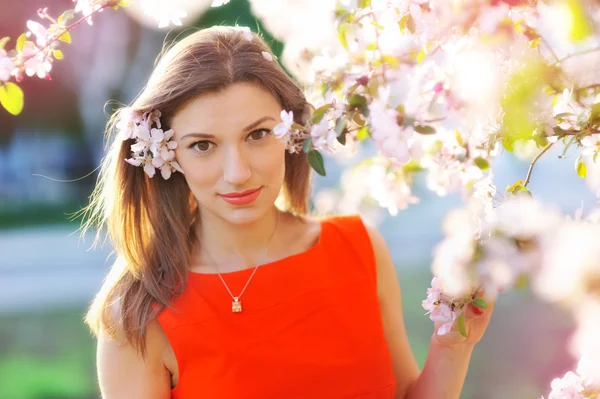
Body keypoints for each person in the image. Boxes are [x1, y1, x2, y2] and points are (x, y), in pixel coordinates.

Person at [83, 26, 496, 399]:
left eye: (258, 135)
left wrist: (452, 345)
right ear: (168, 154)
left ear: (291, 134)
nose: (238, 172)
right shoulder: (138, 315)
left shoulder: (358, 248)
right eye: (203, 145)